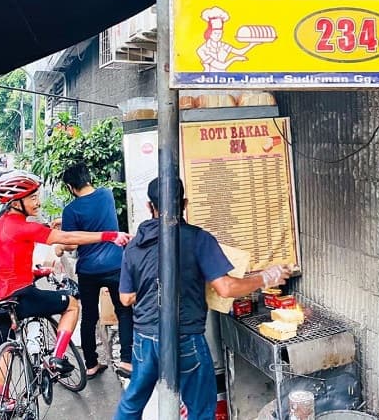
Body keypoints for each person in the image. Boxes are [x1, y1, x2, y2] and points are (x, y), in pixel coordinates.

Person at [114, 177, 290, 420]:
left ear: (149, 206)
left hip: (145, 339)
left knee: (132, 403)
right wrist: (266, 277)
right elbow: (226, 288)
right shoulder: (198, 239)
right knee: (200, 410)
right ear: (184, 204)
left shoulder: (134, 247)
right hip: (185, 338)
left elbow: (125, 298)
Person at [0, 170, 132, 376]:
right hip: (23, 296)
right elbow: (67, 238)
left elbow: (6, 262)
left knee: (5, 351)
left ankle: (4, 402)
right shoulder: (106, 194)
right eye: (33, 197)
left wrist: (36, 272)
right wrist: (109, 235)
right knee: (73, 305)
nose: (38, 202)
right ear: (16, 202)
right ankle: (57, 357)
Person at [55, 162, 133, 379]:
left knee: (89, 317)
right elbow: (96, 219)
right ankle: (127, 361)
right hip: (116, 264)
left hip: (89, 270)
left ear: (71, 187)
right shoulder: (107, 195)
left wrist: (60, 244)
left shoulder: (71, 210)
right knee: (124, 311)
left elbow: (71, 243)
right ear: (88, 178)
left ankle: (91, 365)